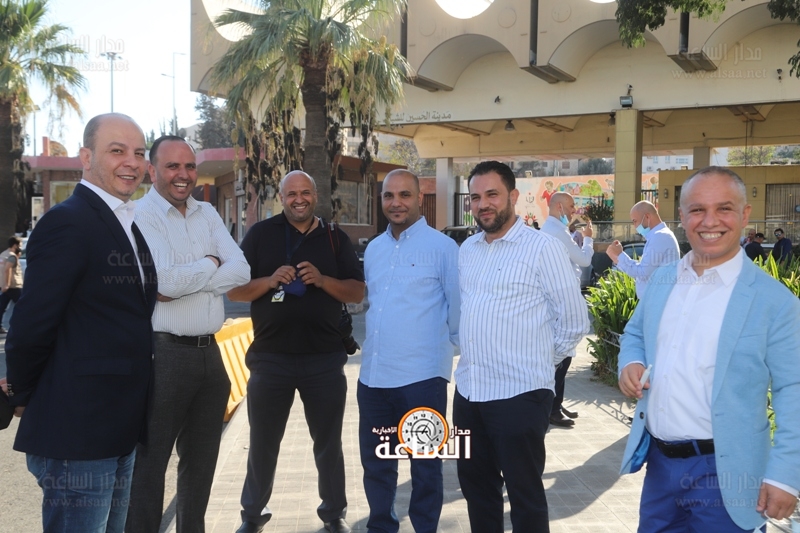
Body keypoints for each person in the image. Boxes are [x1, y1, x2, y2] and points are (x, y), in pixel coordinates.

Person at [618, 166, 800, 532]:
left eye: (724, 208)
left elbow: (793, 389)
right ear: (682, 217)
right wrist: (631, 361)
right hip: (660, 466)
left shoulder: (775, 302)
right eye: (698, 209)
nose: (710, 221)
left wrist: (785, 475)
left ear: (745, 214)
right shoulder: (664, 280)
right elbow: (635, 332)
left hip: (728, 473)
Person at [1, 113, 158, 532]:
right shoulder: (68, 221)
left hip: (118, 425)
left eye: (139, 152)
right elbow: (32, 323)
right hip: (78, 429)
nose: (131, 162)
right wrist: (20, 391)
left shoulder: (125, 223)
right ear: (86, 157)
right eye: (117, 150)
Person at [455, 161, 589, 532]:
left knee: (525, 497)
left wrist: (540, 363)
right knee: (477, 492)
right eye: (476, 197)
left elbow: (574, 320)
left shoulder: (543, 248)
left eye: (492, 194)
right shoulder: (468, 250)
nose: (483, 204)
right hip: (469, 393)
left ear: (513, 196)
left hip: (520, 395)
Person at [228, 171, 365, 533]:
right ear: (282, 197)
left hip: (324, 359)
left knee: (329, 444)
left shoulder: (335, 237)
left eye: (305, 192)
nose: (299, 199)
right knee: (262, 443)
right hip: (270, 359)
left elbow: (356, 291)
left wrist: (322, 280)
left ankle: (334, 514)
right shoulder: (261, 235)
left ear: (316, 195)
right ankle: (252, 516)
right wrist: (269, 280)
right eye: (291, 194)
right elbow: (234, 290)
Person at [126, 136, 250, 532]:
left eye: (189, 166)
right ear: (152, 170)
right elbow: (163, 285)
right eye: (172, 166)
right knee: (150, 465)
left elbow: (242, 270)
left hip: (210, 356)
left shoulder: (208, 213)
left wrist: (193, 278)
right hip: (164, 356)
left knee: (201, 463)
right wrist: (212, 263)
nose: (183, 175)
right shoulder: (140, 215)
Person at [358, 169, 460, 533]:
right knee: (376, 465)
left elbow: (458, 311)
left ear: (419, 199)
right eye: (389, 195)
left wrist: (444, 356)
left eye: (404, 195)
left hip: (423, 379)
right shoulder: (374, 249)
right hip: (373, 379)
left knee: (425, 466)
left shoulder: (444, 248)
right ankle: (380, 527)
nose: (396, 203)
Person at [541, 192, 594, 428]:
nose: (574, 211)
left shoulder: (552, 229)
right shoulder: (557, 232)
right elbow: (583, 260)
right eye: (572, 206)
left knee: (564, 355)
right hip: (561, 301)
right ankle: (552, 408)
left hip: (557, 299)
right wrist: (588, 239)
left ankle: (556, 403)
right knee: (562, 356)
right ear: (560, 207)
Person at [605, 200, 680, 299]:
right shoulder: (660, 235)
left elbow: (643, 273)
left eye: (635, 221)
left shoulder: (660, 236)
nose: (635, 226)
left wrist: (619, 256)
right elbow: (645, 269)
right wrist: (618, 257)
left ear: (647, 217)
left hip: (657, 301)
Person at [0, 236, 23, 334]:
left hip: (4, 285)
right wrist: (7, 284)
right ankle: (22, 326)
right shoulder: (12, 257)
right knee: (23, 306)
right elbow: (7, 270)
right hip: (13, 285)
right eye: (20, 245)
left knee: (2, 306)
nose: (20, 247)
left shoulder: (3, 254)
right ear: (15, 245)